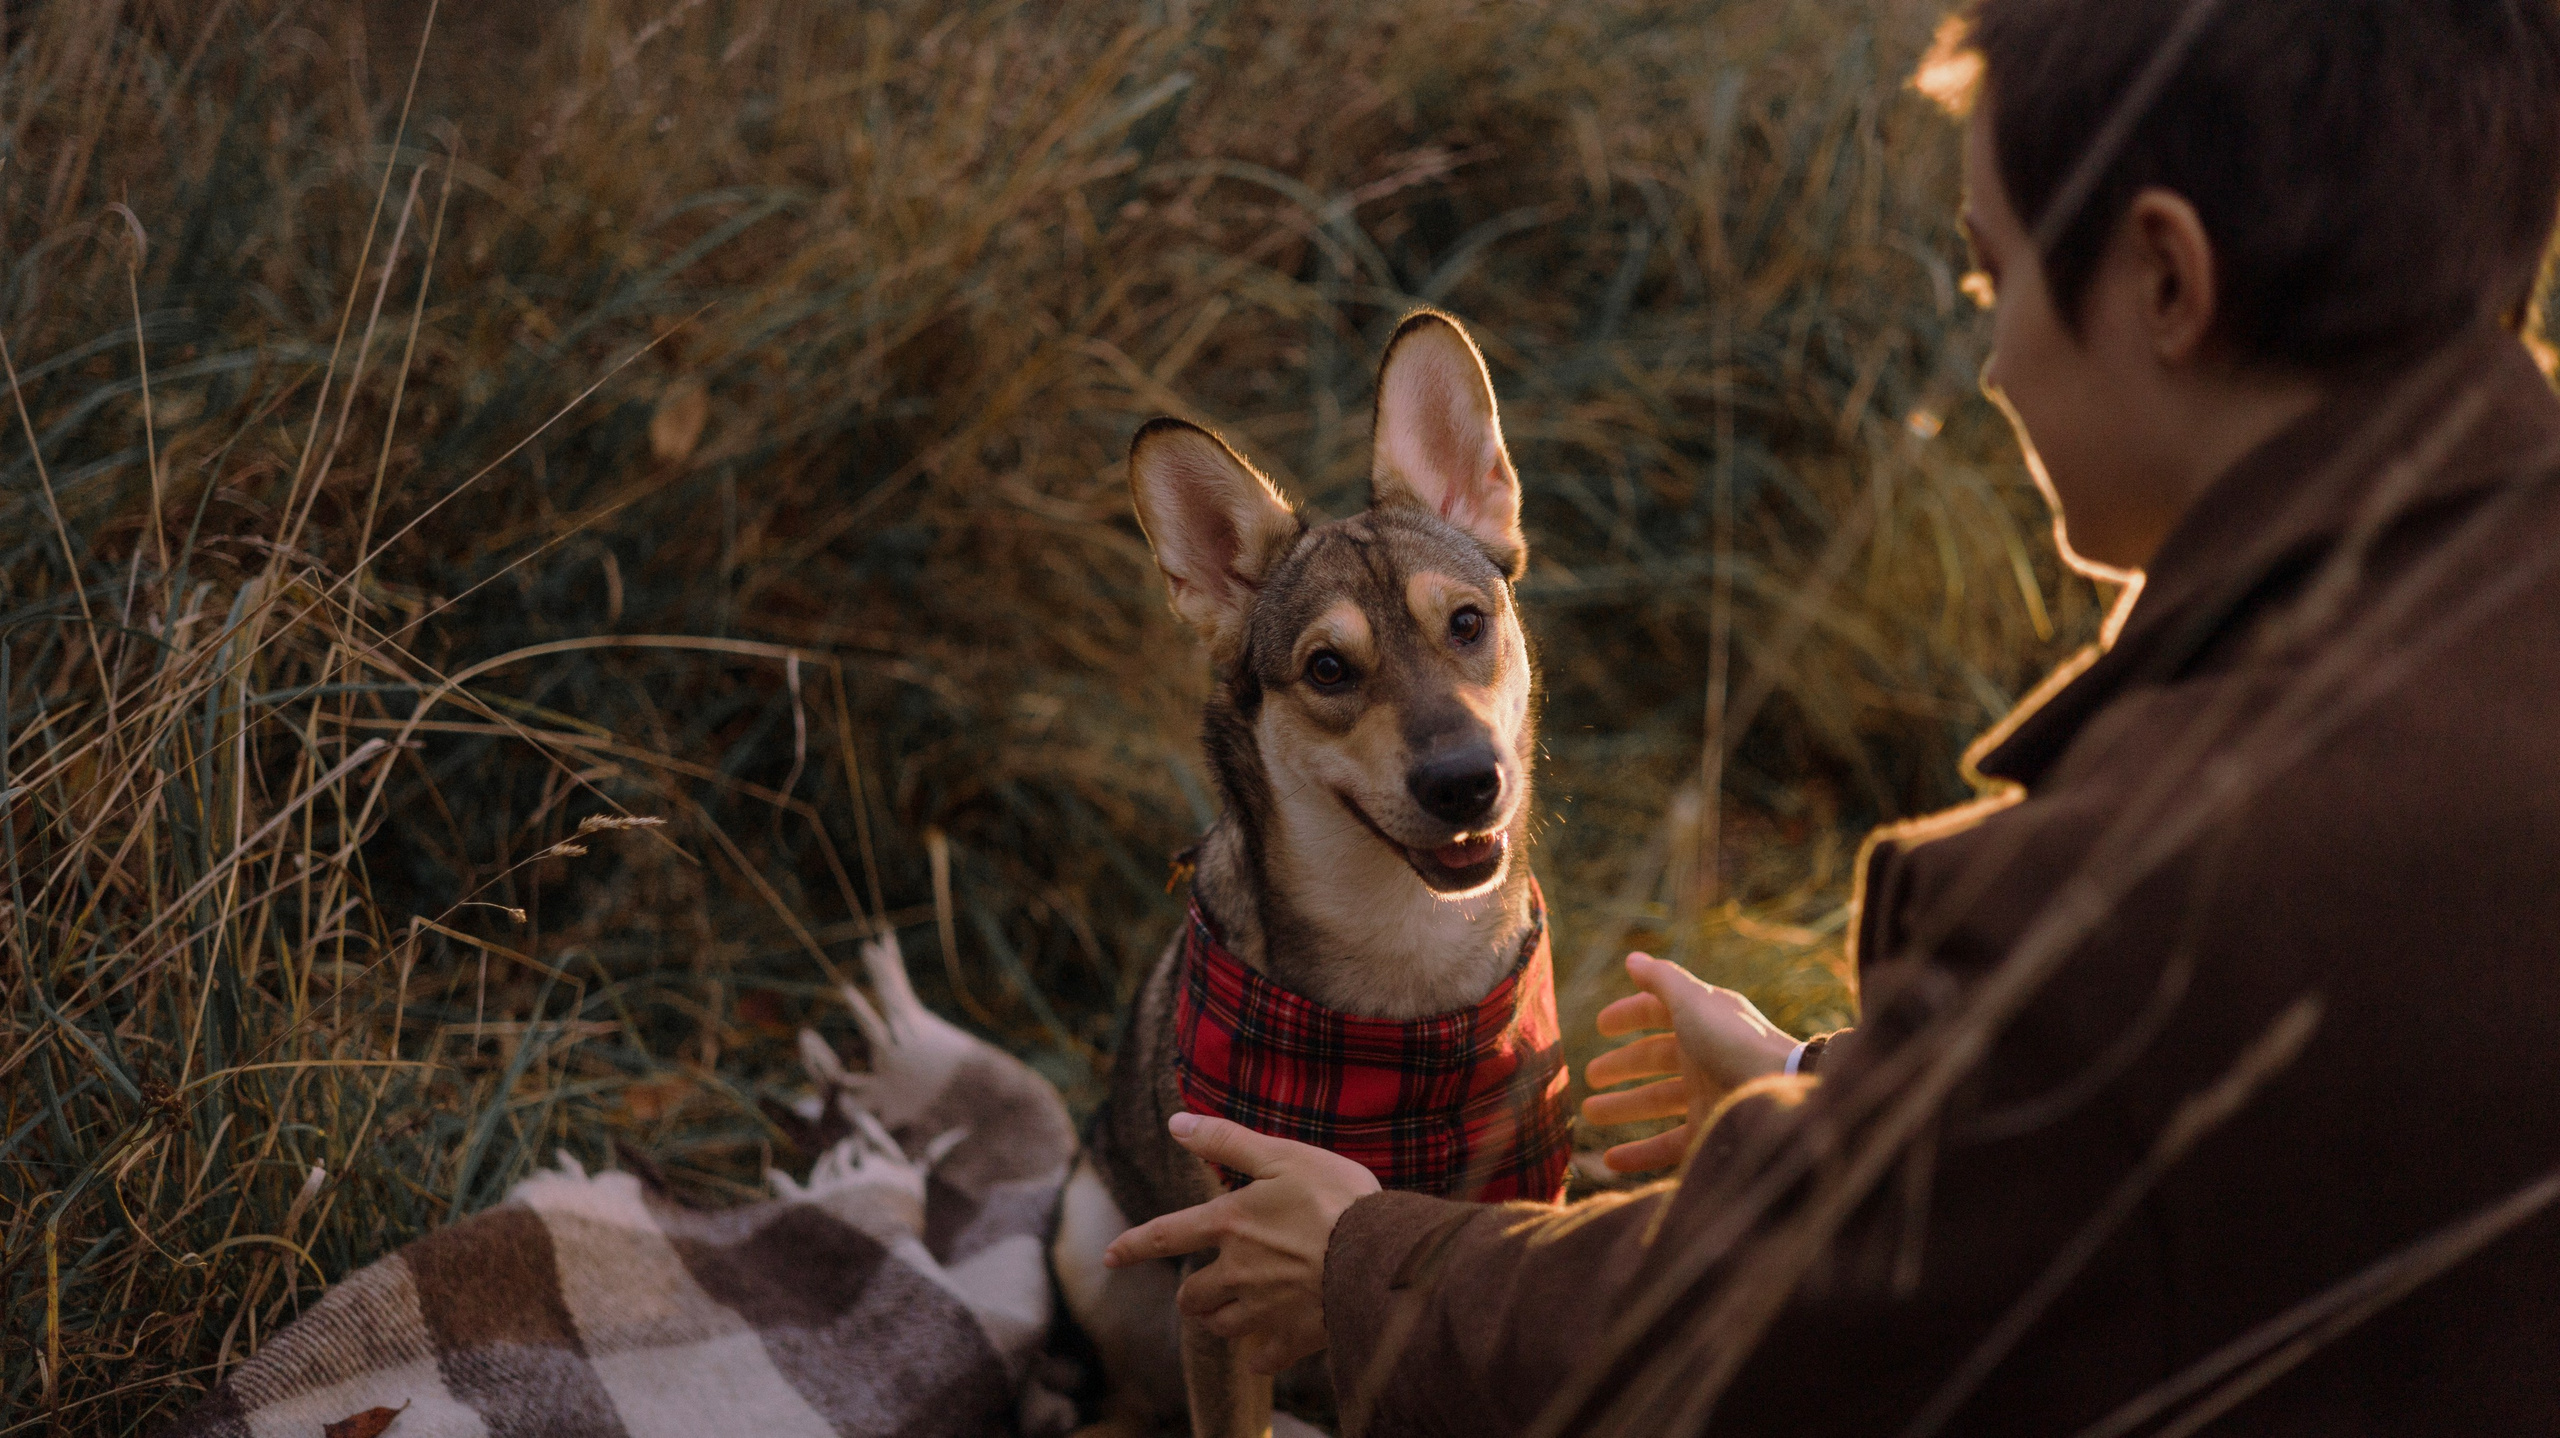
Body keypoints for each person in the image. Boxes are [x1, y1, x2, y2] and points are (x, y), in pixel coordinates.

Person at [1105, 1, 2560, 1432]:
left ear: (2165, 281)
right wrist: (1830, 1081)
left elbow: (1768, 1334)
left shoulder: (2151, 878)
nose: (1988, 365)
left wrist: (1363, 1266)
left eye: (1989, 281)